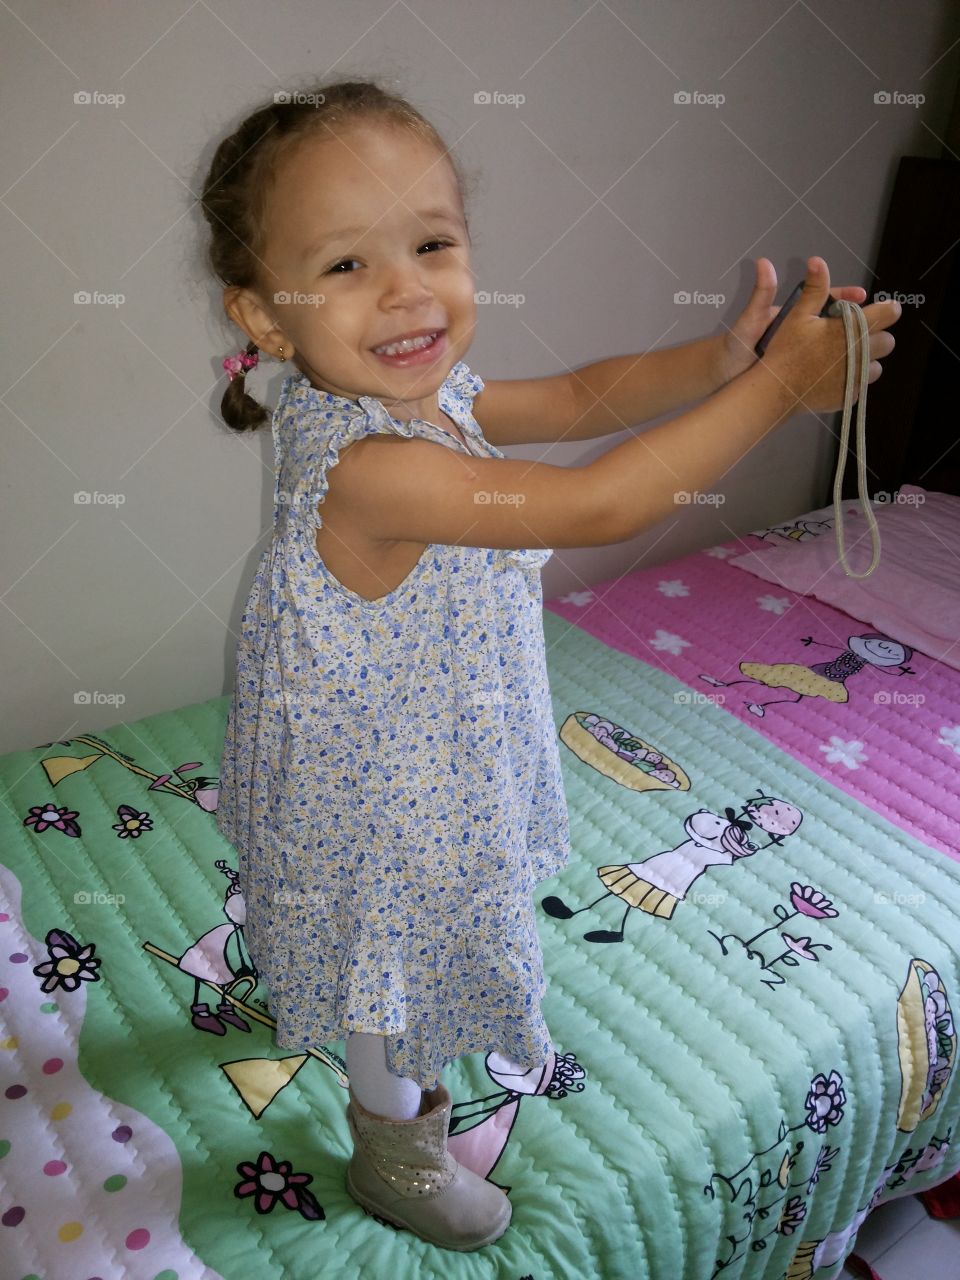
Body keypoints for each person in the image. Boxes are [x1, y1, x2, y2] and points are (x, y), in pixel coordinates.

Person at [199, 78, 900, 1252]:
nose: (408, 288)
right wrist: (779, 393)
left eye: (431, 243)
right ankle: (392, 1142)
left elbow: (584, 397)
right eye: (346, 266)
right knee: (390, 974)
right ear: (265, 320)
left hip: (431, 736)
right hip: (381, 791)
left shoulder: (427, 402)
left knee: (381, 944)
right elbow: (602, 501)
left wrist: (721, 358)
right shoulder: (372, 464)